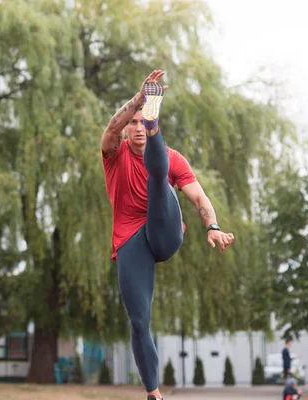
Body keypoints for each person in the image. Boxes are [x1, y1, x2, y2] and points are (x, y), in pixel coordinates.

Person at [101, 70, 235, 400]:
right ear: (127, 127)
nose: (135, 129)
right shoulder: (113, 154)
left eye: (141, 122)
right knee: (138, 322)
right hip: (131, 241)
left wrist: (212, 226)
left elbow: (200, 199)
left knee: (158, 178)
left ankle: (155, 121)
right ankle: (154, 394)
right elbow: (109, 129)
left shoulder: (173, 158)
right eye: (133, 123)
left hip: (165, 231)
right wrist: (139, 98)